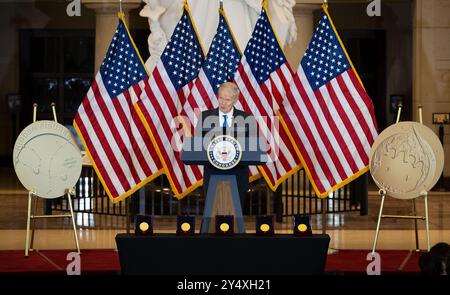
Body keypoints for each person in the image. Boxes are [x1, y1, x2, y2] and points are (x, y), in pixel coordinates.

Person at [195, 82, 257, 211]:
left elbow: (253, 147)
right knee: (212, 211)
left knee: (235, 211)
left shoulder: (246, 118)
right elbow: (197, 144)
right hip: (212, 173)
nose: (223, 102)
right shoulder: (206, 116)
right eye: (221, 98)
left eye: (227, 100)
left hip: (238, 174)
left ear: (235, 100)